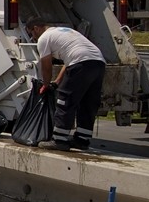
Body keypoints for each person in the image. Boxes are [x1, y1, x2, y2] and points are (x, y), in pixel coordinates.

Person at [25, 16, 106, 152]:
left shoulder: (44, 38)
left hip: (80, 63)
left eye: (31, 33)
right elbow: (68, 63)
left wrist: (45, 84)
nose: (32, 37)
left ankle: (59, 140)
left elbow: (46, 66)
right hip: (98, 63)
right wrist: (57, 82)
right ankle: (82, 140)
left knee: (65, 101)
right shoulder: (65, 31)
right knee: (87, 103)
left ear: (36, 28)